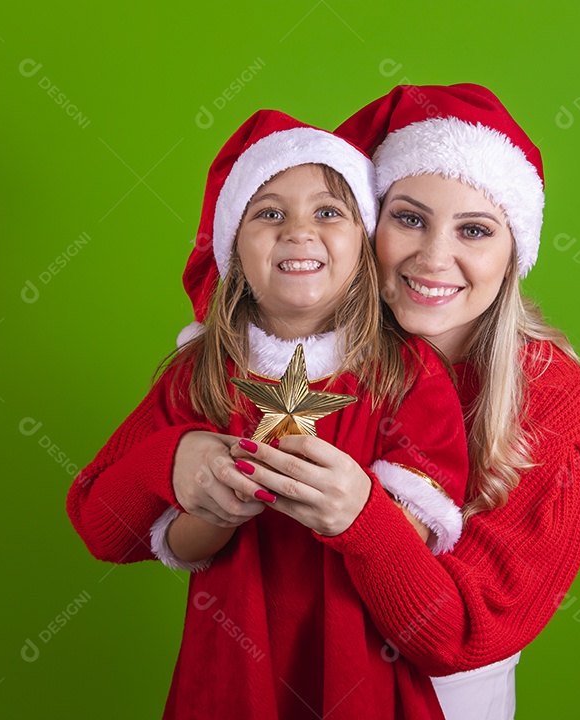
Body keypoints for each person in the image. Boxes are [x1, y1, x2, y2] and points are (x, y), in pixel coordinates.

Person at [67, 108, 470, 719]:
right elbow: (106, 530)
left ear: (365, 242)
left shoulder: (407, 375)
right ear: (235, 245)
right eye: (269, 213)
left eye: (329, 212)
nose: (298, 232)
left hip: (359, 675)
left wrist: (355, 509)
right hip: (229, 676)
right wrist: (194, 485)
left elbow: (413, 552)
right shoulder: (198, 375)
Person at [220, 84, 580, 719]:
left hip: (448, 700)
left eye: (475, 230)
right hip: (289, 678)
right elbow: (115, 516)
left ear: (515, 253)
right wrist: (180, 458)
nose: (433, 257)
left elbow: (464, 635)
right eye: (408, 218)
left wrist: (363, 520)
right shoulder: (308, 348)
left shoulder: (550, 397)